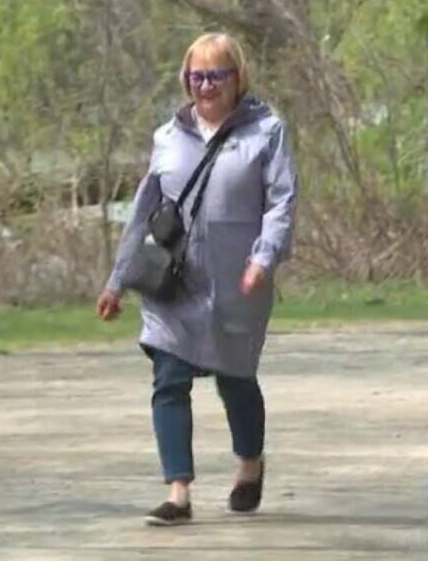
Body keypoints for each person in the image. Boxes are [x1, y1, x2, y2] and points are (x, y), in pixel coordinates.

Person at [96, 32, 298, 526]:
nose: (205, 86)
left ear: (237, 78)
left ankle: (250, 464)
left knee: (236, 380)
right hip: (175, 282)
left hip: (238, 282)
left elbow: (281, 203)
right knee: (168, 377)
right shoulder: (168, 136)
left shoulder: (266, 131)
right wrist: (117, 280)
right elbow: (144, 210)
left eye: (216, 75)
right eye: (196, 76)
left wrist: (263, 258)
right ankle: (178, 491)